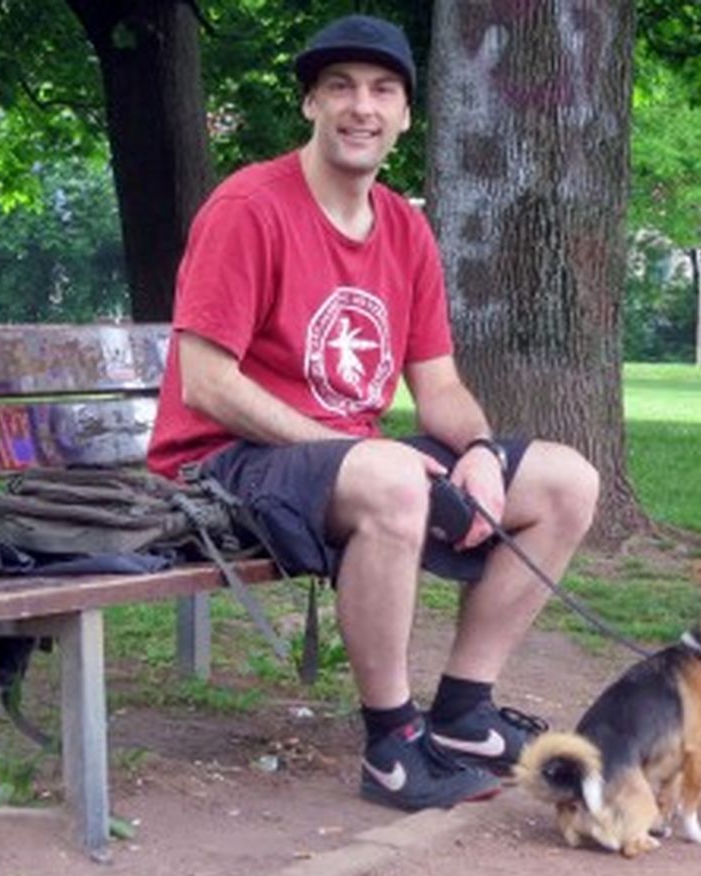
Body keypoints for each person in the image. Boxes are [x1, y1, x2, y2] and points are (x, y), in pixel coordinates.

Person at [146, 14, 600, 812]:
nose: (363, 107)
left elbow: (441, 385)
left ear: (406, 115)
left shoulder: (404, 225)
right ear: (311, 107)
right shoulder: (248, 207)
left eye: (383, 90)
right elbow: (205, 384)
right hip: (220, 467)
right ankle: (393, 745)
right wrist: (358, 451)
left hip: (338, 463)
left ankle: (462, 714)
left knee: (566, 481)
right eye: (341, 89)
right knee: (394, 476)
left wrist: (483, 453)